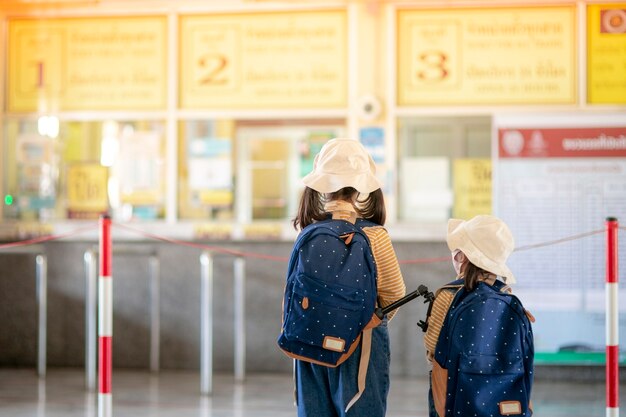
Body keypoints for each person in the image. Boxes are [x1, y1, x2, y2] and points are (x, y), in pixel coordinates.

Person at [291, 138, 406, 417]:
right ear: (361, 187)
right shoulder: (374, 235)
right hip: (361, 345)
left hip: (308, 342)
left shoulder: (308, 232)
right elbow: (395, 295)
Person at [424, 215, 534, 417]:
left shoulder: (448, 295)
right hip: (507, 402)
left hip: (454, 399)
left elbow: (433, 347)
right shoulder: (507, 296)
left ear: (461, 257)